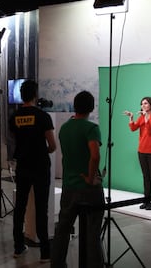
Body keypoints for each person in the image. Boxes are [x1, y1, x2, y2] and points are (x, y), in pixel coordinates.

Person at [51, 90, 105, 268]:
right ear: (91, 107)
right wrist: (90, 178)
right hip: (88, 188)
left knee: (63, 229)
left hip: (69, 185)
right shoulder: (91, 128)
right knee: (92, 232)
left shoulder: (65, 128)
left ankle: (57, 264)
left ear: (75, 106)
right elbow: (95, 155)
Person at [8, 80, 56, 263]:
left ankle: (18, 247)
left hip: (23, 166)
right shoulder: (43, 116)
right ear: (35, 94)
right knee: (41, 208)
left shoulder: (15, 117)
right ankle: (45, 252)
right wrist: (45, 151)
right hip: (40, 166)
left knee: (20, 207)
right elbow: (52, 145)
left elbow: (16, 138)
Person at [124, 96, 151, 210]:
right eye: (141, 104)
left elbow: (150, 128)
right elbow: (133, 128)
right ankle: (146, 200)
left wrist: (146, 116)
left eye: (145, 103)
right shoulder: (142, 117)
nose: (143, 106)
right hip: (142, 151)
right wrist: (131, 118)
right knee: (146, 177)